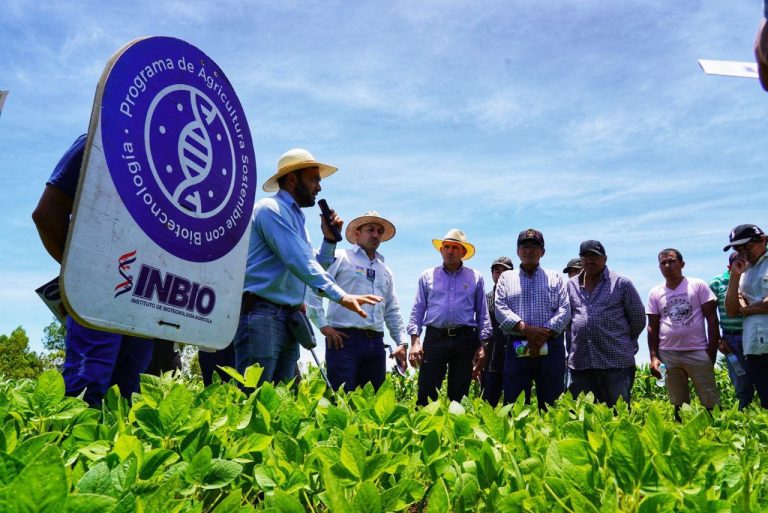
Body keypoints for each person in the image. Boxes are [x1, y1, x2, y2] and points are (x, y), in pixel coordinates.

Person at [235, 148, 381, 385]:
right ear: (293, 179)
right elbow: (299, 262)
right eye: (314, 179)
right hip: (263, 314)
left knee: (281, 402)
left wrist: (329, 240)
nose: (319, 187)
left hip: (287, 318)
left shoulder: (297, 218)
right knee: (254, 396)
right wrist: (340, 296)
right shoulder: (271, 209)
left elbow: (312, 264)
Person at [32, 134, 154, 407]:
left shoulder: (165, 166)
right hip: (100, 295)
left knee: (128, 399)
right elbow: (46, 214)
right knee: (87, 392)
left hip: (145, 298)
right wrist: (84, 274)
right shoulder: (101, 137)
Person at [306, 211, 407, 391]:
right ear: (357, 234)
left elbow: (392, 310)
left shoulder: (385, 270)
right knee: (342, 397)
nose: (375, 235)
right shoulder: (340, 257)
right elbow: (314, 288)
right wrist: (323, 326)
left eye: (379, 231)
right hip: (344, 340)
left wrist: (401, 342)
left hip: (376, 343)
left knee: (372, 403)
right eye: (370, 229)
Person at [407, 229, 491, 406]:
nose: (450, 251)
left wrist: (483, 345)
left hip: (465, 339)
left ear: (463, 252)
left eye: (455, 247)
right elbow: (418, 309)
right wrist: (415, 340)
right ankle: (424, 432)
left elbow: (483, 313)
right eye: (446, 247)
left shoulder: (476, 277)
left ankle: (456, 432)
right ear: (441, 250)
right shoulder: (427, 276)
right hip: (435, 338)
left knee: (459, 396)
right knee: (427, 392)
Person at [494, 229, 571, 408]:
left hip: (551, 346)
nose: (529, 250)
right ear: (518, 251)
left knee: (553, 405)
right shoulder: (506, 278)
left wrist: (543, 333)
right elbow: (500, 307)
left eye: (534, 246)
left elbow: (565, 309)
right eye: (524, 246)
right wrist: (526, 329)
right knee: (515, 405)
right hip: (518, 345)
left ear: (542, 252)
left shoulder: (556, 277)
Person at [566, 240, 646, 407]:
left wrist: (621, 341)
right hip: (581, 363)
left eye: (595, 256)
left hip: (615, 362)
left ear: (605, 258)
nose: (590, 261)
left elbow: (638, 319)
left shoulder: (621, 283)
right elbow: (568, 320)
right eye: (585, 257)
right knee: (585, 415)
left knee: (618, 414)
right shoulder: (571, 285)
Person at [647, 248, 720, 416]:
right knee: (678, 404)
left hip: (697, 351)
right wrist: (654, 356)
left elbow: (712, 319)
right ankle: (682, 436)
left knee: (710, 402)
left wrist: (710, 352)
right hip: (669, 354)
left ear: (682, 264)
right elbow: (652, 326)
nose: (667, 265)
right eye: (663, 262)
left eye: (671, 261)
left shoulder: (697, 285)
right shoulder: (655, 292)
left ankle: (717, 434)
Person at [724, 224, 768, 408]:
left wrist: (747, 309)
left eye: (747, 246)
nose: (743, 252)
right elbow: (732, 310)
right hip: (754, 347)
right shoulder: (744, 272)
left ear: (763, 239)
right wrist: (735, 276)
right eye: (737, 249)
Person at [710, 251, 754, 410]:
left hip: (755, 335)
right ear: (729, 266)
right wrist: (718, 341)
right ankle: (745, 416)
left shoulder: (752, 279)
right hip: (732, 340)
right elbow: (709, 315)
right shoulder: (716, 283)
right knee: (741, 380)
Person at [481, 256, 513, 406]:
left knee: (514, 408)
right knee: (488, 406)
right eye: (496, 270)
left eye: (505, 271)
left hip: (515, 358)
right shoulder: (485, 299)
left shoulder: (518, 299)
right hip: (491, 360)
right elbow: (480, 328)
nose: (500, 274)